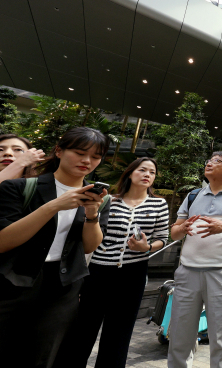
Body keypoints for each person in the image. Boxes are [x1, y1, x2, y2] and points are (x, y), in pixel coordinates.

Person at [0, 127, 110, 368]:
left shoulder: (100, 197)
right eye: (80, 152)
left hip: (62, 287)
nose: (87, 161)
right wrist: (53, 206)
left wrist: (92, 215)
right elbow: (3, 241)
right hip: (12, 281)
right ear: (59, 151)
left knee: (43, 356)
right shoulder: (18, 188)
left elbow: (89, 246)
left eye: (95, 156)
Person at [54, 157, 169, 368]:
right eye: (142, 170)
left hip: (133, 274)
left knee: (119, 333)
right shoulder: (109, 200)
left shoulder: (159, 203)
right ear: (130, 172)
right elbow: (90, 232)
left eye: (152, 173)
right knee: (83, 329)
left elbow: (163, 236)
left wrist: (147, 247)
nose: (147, 175)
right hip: (98, 271)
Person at [168, 151, 222, 368]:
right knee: (180, 336)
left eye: (216, 161)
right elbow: (174, 233)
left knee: (220, 338)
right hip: (187, 272)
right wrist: (182, 227)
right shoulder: (193, 195)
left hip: (221, 273)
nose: (209, 163)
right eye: (209, 160)